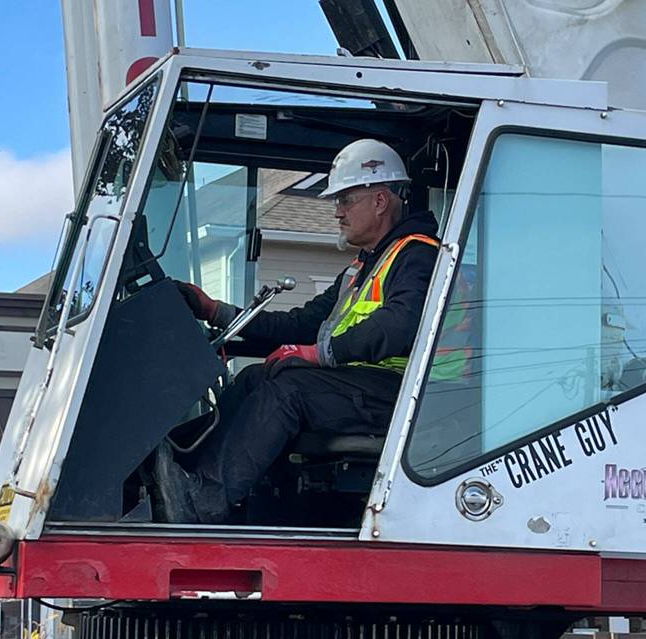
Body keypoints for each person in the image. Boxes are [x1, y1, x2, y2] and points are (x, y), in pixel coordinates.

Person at [152, 139, 440, 523]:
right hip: (362, 385)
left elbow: (399, 326)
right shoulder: (365, 265)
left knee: (287, 391)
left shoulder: (418, 255)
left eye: (345, 200)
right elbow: (301, 324)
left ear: (380, 200)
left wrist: (318, 355)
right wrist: (216, 311)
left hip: (402, 395)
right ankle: (184, 468)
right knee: (258, 376)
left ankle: (202, 504)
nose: (337, 212)